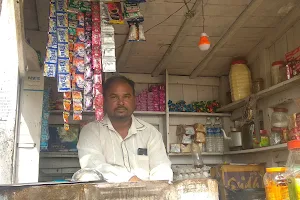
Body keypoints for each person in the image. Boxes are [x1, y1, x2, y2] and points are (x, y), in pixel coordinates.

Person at [77, 75, 173, 183]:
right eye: (114, 97)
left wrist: (158, 189)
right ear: (103, 101)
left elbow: (161, 167)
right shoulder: (91, 131)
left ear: (134, 100)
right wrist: (131, 179)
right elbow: (93, 166)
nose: (121, 102)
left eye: (126, 96)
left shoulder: (151, 133)